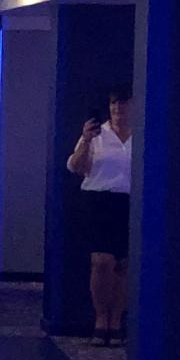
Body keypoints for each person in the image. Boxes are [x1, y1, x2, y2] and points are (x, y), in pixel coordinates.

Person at [66, 89, 132, 346]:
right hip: (99, 201)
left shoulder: (143, 135)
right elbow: (76, 167)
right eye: (114, 103)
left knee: (125, 264)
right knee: (101, 262)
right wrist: (85, 139)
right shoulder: (97, 135)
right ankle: (100, 317)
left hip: (131, 201)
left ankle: (116, 320)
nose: (118, 109)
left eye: (124, 104)